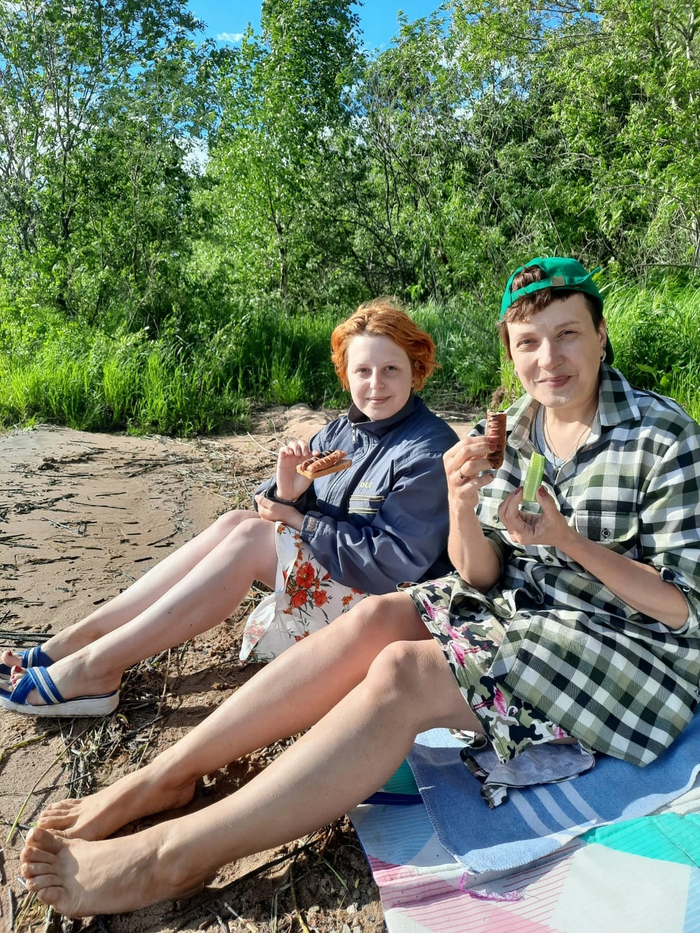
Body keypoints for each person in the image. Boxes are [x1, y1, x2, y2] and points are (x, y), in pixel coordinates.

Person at [18, 257, 700, 918]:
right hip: (525, 611)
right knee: (376, 621)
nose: (549, 358)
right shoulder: (513, 431)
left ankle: (175, 856)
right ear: (510, 351)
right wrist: (462, 507)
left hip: (632, 648)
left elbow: (684, 609)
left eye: (567, 333)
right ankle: (163, 777)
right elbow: (481, 575)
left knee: (404, 671)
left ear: (601, 333)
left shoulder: (663, 434)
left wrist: (569, 540)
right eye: (529, 342)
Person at [0, 298, 457, 716]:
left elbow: (395, 563)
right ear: (346, 375)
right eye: (362, 371)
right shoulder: (342, 431)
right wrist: (287, 492)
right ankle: (78, 641)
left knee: (252, 538)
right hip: (343, 579)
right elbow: (266, 503)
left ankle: (97, 668)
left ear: (416, 370)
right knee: (236, 522)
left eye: (391, 369)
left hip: (387, 611)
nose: (375, 385)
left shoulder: (428, 449)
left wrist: (299, 519)